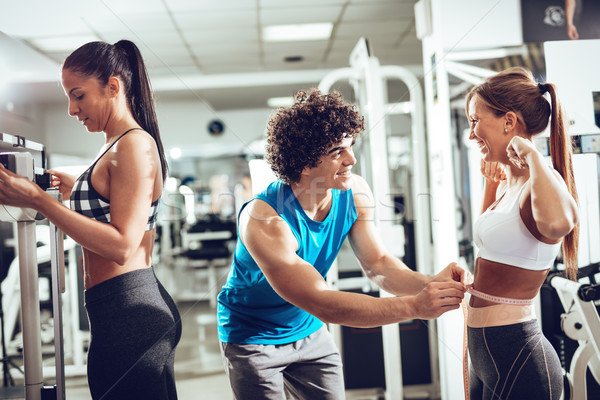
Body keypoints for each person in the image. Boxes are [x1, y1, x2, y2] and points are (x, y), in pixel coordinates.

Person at [217, 88, 467, 399]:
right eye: (338, 151)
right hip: (253, 336)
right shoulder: (265, 220)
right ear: (305, 163)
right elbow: (321, 302)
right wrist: (414, 306)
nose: (351, 159)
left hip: (308, 331)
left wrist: (428, 284)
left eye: (350, 147)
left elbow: (378, 264)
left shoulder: (354, 192)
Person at [0, 40, 181, 399]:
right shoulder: (114, 144)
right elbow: (114, 207)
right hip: (116, 309)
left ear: (113, 87)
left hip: (131, 312)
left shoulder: (133, 144)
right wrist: (76, 191)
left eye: (78, 95)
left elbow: (121, 245)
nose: (71, 109)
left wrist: (39, 200)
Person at [465, 67, 579, 399]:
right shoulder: (509, 183)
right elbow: (493, 245)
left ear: (509, 122)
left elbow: (560, 224)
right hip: (485, 350)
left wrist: (532, 156)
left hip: (517, 352)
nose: (471, 134)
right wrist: (491, 183)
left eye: (475, 121)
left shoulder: (542, 182)